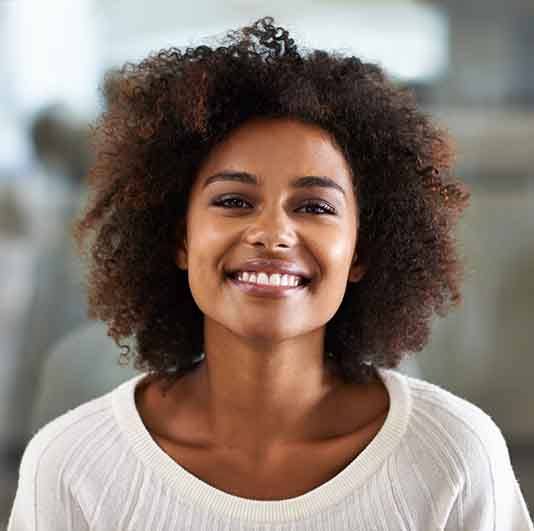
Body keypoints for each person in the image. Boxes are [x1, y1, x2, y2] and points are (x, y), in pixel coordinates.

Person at [7, 16, 533, 530]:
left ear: (362, 252)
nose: (273, 232)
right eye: (234, 200)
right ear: (179, 239)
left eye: (315, 207)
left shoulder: (454, 456)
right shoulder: (73, 466)